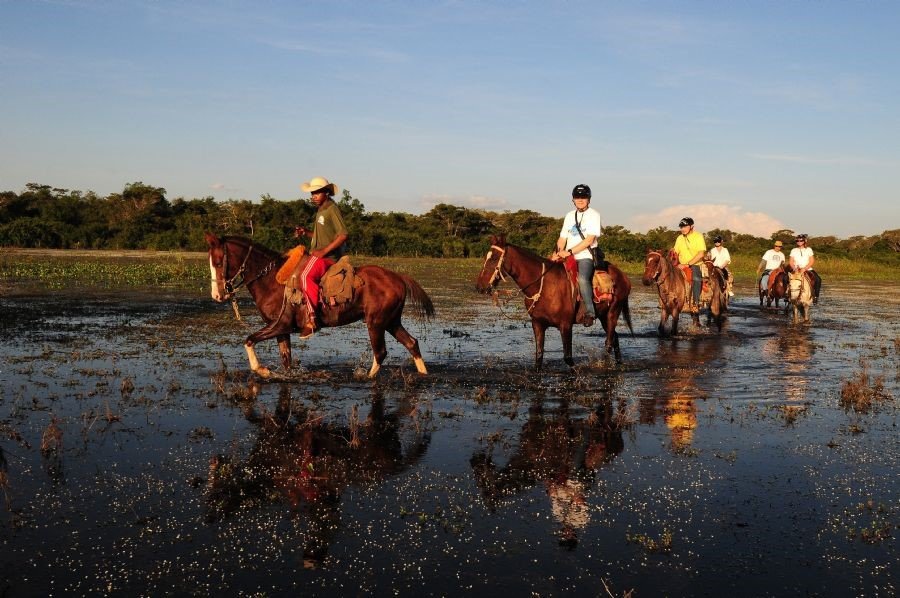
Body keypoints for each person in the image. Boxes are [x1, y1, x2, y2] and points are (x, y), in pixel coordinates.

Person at [292, 176, 349, 337]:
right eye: (312, 193)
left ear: (326, 192)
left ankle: (312, 319)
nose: (313, 196)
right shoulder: (320, 210)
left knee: (304, 277)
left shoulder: (332, 209)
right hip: (318, 253)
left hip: (327, 257)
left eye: (317, 193)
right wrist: (306, 233)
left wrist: (323, 252)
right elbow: (321, 237)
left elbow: (343, 234)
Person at [552, 184, 603, 327]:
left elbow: (589, 240)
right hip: (567, 256)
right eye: (577, 197)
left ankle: (590, 312)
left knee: (582, 279)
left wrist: (568, 252)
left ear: (589, 199)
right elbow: (562, 238)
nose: (580, 200)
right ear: (573, 200)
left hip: (585, 256)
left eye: (583, 197)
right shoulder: (569, 216)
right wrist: (557, 252)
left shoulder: (594, 215)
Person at [672, 217, 706, 309]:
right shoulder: (679, 238)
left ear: (692, 226)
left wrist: (688, 264)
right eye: (681, 227)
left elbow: (701, 254)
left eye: (685, 227)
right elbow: (675, 252)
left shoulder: (698, 236)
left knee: (696, 279)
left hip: (695, 264)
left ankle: (695, 303)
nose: (682, 229)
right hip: (680, 265)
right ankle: (667, 300)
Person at [788, 233, 821, 304]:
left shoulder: (809, 249)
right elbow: (791, 261)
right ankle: (787, 296)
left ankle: (815, 297)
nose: (799, 242)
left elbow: (812, 260)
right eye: (797, 241)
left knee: (818, 279)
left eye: (801, 240)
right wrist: (794, 268)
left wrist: (805, 268)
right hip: (796, 269)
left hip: (807, 269)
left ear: (804, 241)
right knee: (785, 279)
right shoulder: (793, 250)